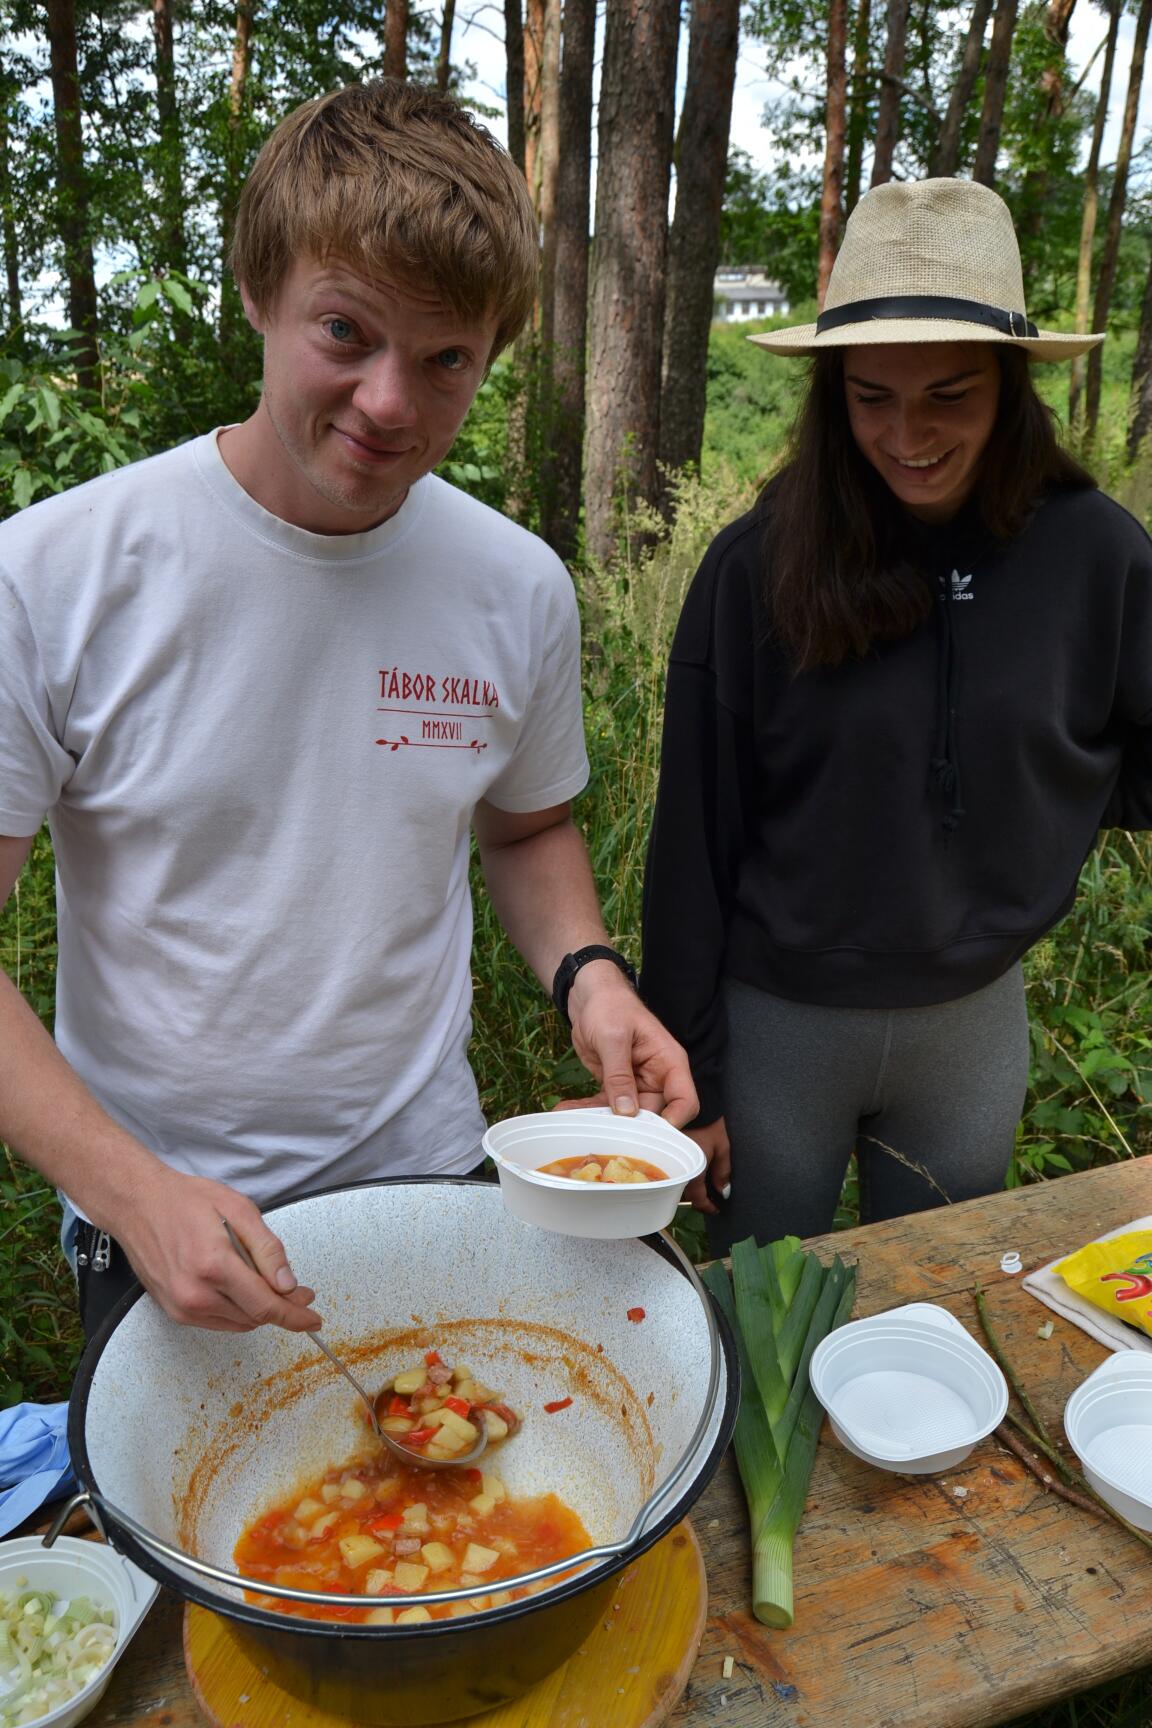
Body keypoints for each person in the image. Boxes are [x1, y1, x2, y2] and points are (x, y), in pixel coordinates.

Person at [0, 78, 696, 1341]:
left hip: (430, 1178)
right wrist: (130, 1191)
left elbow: (527, 829)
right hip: (164, 1218)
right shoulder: (53, 575)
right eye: (345, 333)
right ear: (259, 291)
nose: (390, 403)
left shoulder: (515, 588)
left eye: (445, 361)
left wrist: (592, 977)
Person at [640, 176, 1152, 1256]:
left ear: (1013, 385)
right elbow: (693, 841)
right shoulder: (755, 569)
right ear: (833, 393)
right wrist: (693, 1073)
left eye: (949, 395)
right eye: (871, 396)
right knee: (749, 1332)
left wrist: (1048, 799)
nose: (906, 435)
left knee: (932, 1329)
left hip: (971, 1034)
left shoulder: (1098, 555)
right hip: (776, 1028)